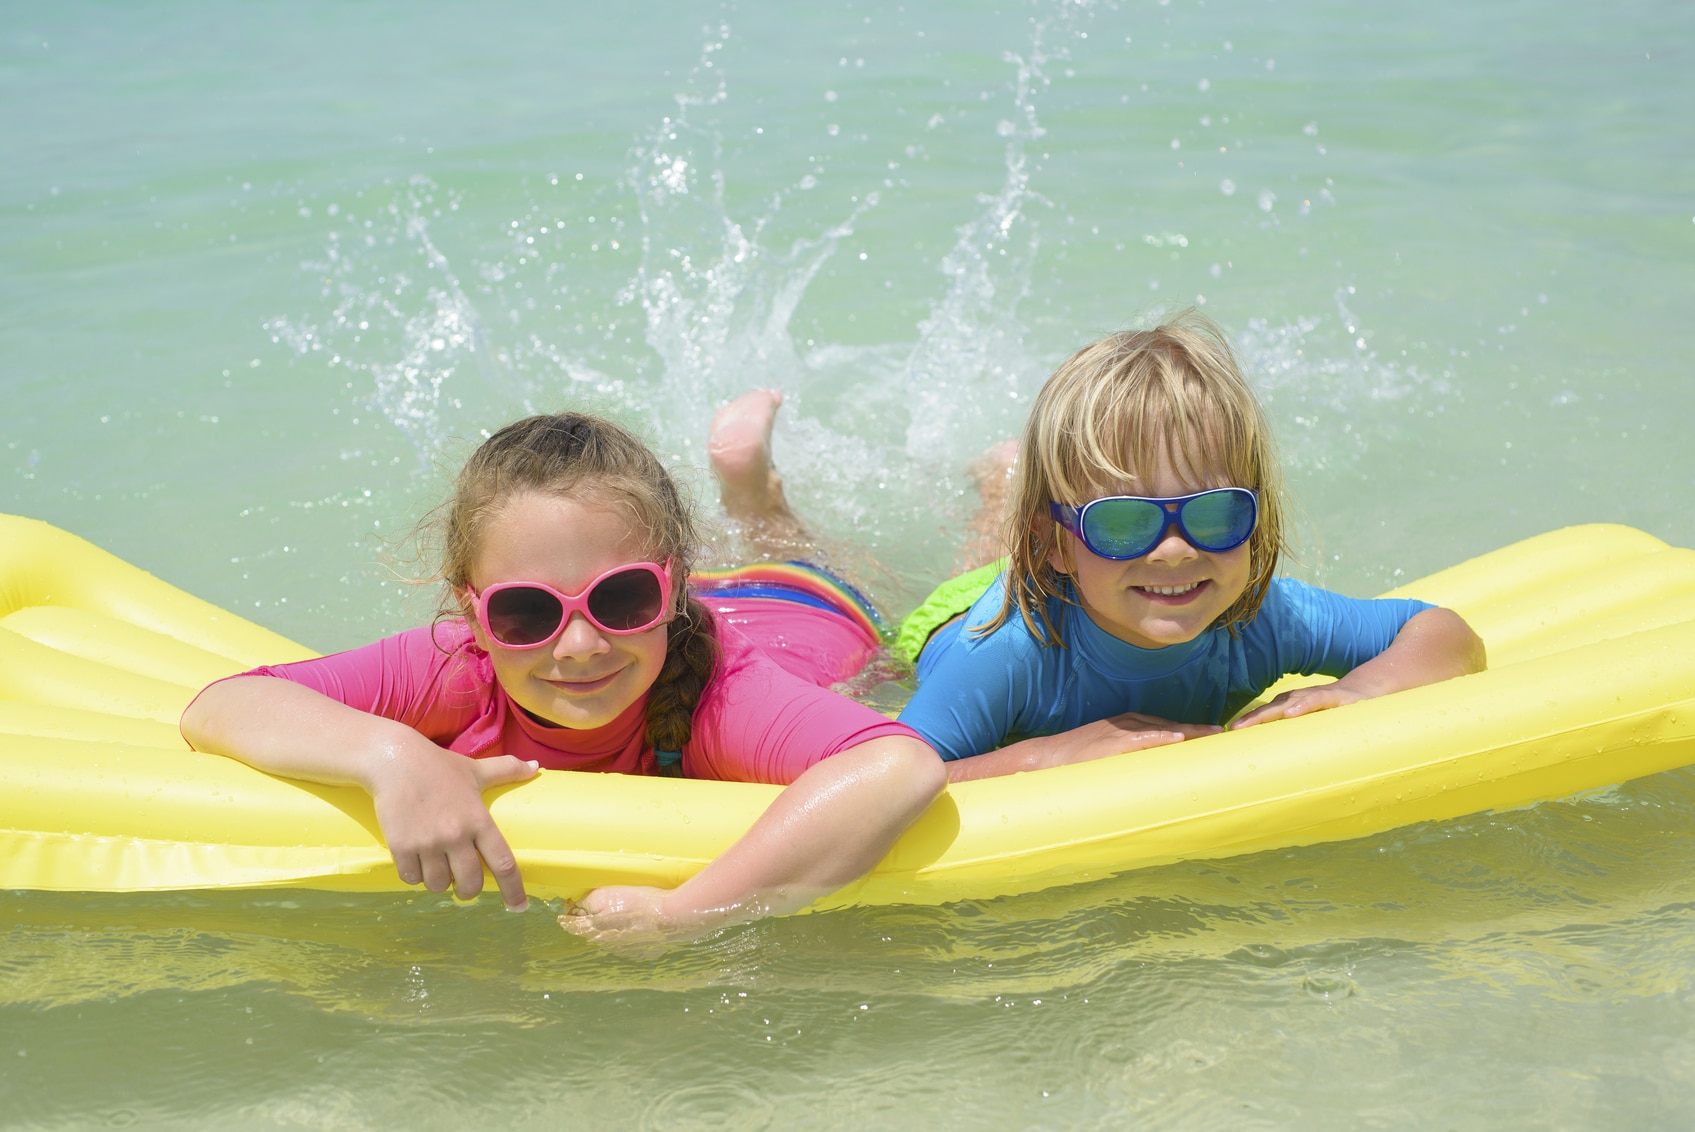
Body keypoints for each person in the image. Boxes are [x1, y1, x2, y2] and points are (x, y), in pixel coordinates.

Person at [180, 402, 946, 943]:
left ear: (670, 586)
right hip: (708, 602)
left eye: (620, 595)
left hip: (814, 613)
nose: (577, 644)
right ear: (472, 610)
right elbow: (225, 703)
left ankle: (949, 493)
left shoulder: (723, 698)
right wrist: (393, 755)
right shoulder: (459, 663)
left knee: (931, 575)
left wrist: (688, 914)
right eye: (526, 611)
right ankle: (742, 496)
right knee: (753, 545)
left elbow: (898, 763)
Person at [890, 308, 1487, 780]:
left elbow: (1442, 632)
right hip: (973, 611)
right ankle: (989, 485)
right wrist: (1042, 755)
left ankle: (1025, 487)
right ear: (1055, 543)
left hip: (1084, 567)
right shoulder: (1004, 654)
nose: (1175, 550)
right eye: (1123, 522)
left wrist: (1359, 689)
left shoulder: (1259, 618)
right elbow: (892, 769)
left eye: (1215, 513)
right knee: (974, 553)